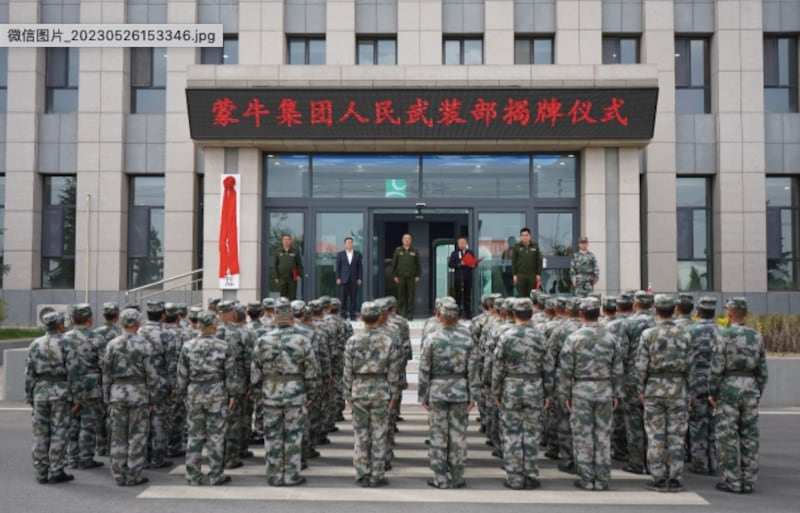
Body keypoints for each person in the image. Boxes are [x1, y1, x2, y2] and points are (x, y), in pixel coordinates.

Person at [251, 299, 318, 486]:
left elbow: (255, 371)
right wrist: (311, 395)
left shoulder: (263, 340)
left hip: (270, 393)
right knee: (293, 435)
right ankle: (291, 475)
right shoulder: (302, 340)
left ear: (274, 318)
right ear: (291, 318)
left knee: (272, 436)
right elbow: (312, 371)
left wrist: (258, 394)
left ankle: (274, 474)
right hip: (295, 393)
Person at [560, 297, 623, 491]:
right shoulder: (611, 337)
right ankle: (602, 478)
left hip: (581, 390)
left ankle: (587, 478)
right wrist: (617, 394)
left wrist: (565, 396)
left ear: (581, 315)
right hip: (604, 389)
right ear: (599, 313)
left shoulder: (574, 338)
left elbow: (565, 371)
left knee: (583, 435)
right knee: (603, 435)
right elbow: (618, 369)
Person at [492, 298, 554, 490]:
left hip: (511, 386)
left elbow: (498, 367)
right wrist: (548, 393)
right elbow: (548, 367)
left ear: (514, 314)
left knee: (511, 432)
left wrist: (496, 391)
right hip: (534, 386)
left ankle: (514, 477)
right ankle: (530, 474)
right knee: (532, 433)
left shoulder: (506, 336)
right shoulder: (540, 337)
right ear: (531, 314)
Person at [418, 301, 480, 489]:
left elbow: (424, 370)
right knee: (458, 435)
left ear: (439, 316)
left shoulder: (432, 339)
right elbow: (473, 370)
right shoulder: (468, 339)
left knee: (438, 435)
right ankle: (456, 477)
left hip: (437, 390)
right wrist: (473, 395)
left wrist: (423, 395)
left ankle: (440, 478)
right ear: (458, 317)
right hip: (460, 391)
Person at [709, 297, 768, 495]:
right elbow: (763, 370)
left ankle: (733, 481)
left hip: (729, 389)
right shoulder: (757, 336)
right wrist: (757, 390)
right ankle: (749, 480)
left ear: (729, 314)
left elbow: (717, 367)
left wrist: (713, 392)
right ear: (746, 314)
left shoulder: (724, 335)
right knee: (750, 436)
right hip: (750, 388)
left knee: (728, 436)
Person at [635, 295, 692, 492]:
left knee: (656, 435)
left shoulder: (648, 335)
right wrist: (689, 390)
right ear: (675, 309)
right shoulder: (684, 334)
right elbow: (691, 366)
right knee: (677, 435)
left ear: (655, 310)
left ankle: (658, 477)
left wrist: (640, 389)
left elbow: (641, 366)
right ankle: (675, 477)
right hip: (678, 388)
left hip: (654, 388)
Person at [343, 302, 401, 487]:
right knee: (379, 434)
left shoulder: (353, 341)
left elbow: (347, 371)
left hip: (359, 389)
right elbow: (394, 371)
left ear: (361, 318)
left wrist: (348, 394)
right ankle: (377, 474)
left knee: (360, 434)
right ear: (380, 318)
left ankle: (362, 472)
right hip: (381, 390)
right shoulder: (387, 340)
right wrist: (394, 394)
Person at [176, 310, 237, 486]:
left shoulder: (188, 346)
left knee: (194, 435)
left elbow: (182, 375)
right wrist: (232, 394)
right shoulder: (224, 346)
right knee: (216, 436)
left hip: (194, 392)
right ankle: (215, 474)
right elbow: (230, 374)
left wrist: (183, 394)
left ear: (198, 325)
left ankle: (193, 475)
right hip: (216, 393)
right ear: (214, 326)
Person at [103, 308, 159, 486]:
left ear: (121, 323)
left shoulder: (112, 344)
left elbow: (106, 374)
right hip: (139, 394)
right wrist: (153, 399)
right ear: (138, 324)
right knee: (137, 435)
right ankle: (133, 474)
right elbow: (152, 375)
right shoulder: (145, 345)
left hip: (117, 393)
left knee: (118, 435)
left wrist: (107, 397)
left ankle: (118, 474)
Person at [25, 311, 79, 484]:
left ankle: (41, 472)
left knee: (40, 432)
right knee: (59, 432)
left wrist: (30, 395)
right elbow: (74, 372)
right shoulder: (68, 343)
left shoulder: (35, 344)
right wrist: (77, 396)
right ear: (61, 325)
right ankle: (56, 470)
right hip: (61, 392)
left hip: (40, 391)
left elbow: (29, 373)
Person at [64, 303, 105, 470]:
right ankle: (85, 458)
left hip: (68, 385)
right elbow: (104, 364)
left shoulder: (64, 338)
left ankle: (72, 457)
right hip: (92, 387)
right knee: (88, 423)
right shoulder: (97, 338)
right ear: (90, 319)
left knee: (72, 423)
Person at [138, 301, 176, 470]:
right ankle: (157, 457)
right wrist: (174, 385)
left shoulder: (138, 332)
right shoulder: (166, 334)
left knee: (142, 419)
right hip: (160, 382)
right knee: (159, 420)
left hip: (140, 382)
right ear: (162, 315)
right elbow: (171, 363)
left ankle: (142, 456)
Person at [686, 296, 720, 476]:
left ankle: (700, 463)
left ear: (698, 312)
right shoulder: (722, 331)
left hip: (696, 379)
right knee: (714, 423)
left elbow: (686, 359)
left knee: (698, 422)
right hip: (716, 379)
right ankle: (714, 462)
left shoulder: (690, 331)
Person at [391, 233, 421, 320]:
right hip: (401, 277)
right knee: (401, 296)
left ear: (411, 240)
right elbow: (394, 264)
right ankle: (401, 314)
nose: (407, 240)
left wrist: (418, 275)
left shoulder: (415, 251)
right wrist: (394, 276)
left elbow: (418, 264)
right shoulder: (398, 250)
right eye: (405, 239)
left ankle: (410, 315)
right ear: (402, 240)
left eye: (408, 239)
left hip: (411, 277)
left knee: (411, 296)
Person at [448, 237, 478, 319]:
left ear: (466, 243)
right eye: (460, 243)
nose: (461, 244)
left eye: (463, 243)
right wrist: (459, 264)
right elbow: (450, 264)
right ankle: (458, 313)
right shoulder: (454, 253)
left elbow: (474, 264)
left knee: (467, 296)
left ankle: (468, 314)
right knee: (458, 296)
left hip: (468, 277)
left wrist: (471, 264)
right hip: (458, 277)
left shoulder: (470, 252)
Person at [336, 236, 363, 320]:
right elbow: (338, 267)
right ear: (345, 244)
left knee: (353, 299)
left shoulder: (357, 254)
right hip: (343, 279)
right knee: (343, 299)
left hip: (354, 279)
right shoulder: (341, 254)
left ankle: (353, 315)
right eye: (348, 242)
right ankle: (343, 315)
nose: (350, 244)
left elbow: (360, 268)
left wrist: (359, 278)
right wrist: (338, 278)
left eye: (351, 242)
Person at [511, 227, 542, 298]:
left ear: (529, 236)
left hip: (532, 275)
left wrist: (538, 274)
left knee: (532, 296)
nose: (525, 237)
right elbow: (513, 262)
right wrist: (514, 275)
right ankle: (522, 309)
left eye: (526, 235)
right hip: (520, 276)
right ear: (521, 237)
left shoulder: (535, 246)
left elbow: (539, 261)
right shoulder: (517, 246)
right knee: (522, 296)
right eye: (523, 235)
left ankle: (531, 309)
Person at [273, 234, 303, 300]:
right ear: (282, 241)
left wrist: (299, 275)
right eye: (284, 239)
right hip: (282, 278)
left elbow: (299, 264)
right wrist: (276, 276)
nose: (286, 241)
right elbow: (275, 265)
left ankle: (293, 309)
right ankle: (283, 310)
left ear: (291, 241)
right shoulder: (278, 251)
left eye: (288, 239)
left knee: (292, 297)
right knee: (283, 297)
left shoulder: (295, 251)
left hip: (292, 277)